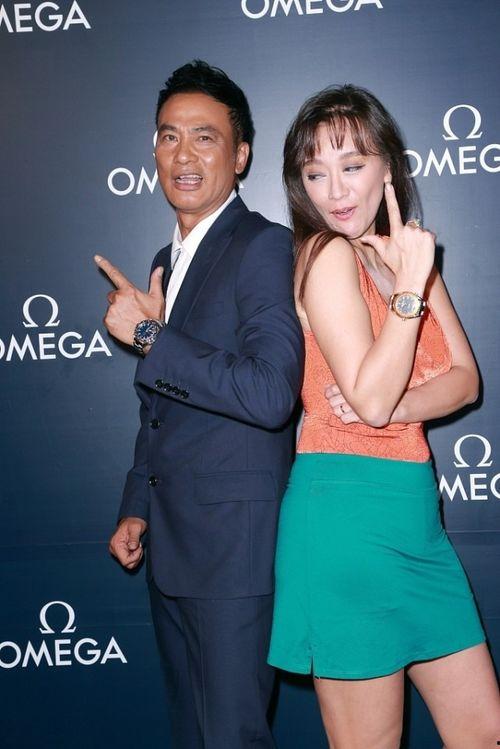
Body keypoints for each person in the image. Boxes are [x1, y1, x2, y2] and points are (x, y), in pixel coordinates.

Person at [267, 85, 500, 749]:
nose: (335, 190)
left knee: (484, 732)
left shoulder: (406, 254)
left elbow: (465, 380)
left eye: (352, 165)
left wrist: (399, 402)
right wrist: (407, 293)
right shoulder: (326, 255)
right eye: (316, 173)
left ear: (387, 166)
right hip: (345, 520)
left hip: (416, 522)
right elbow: (366, 402)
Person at [95, 60, 304, 749]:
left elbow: (270, 392)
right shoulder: (168, 256)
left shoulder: (263, 245)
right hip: (174, 544)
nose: (183, 154)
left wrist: (150, 335)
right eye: (169, 136)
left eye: (205, 137)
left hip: (233, 552)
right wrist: (137, 503)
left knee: (230, 737)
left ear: (240, 155)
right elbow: (163, 404)